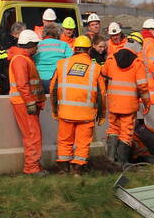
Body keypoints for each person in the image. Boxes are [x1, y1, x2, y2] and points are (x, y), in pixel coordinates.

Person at [51, 35, 106, 175]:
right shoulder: (96, 68)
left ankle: (64, 168)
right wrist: (102, 115)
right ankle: (78, 169)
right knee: (83, 143)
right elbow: (102, 94)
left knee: (64, 141)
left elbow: (53, 90)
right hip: (86, 114)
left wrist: (55, 111)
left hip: (65, 112)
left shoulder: (62, 64)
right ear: (88, 51)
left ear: (74, 49)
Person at [102, 46, 151, 165]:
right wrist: (146, 103)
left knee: (113, 128)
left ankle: (110, 158)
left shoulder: (111, 59)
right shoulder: (137, 63)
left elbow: (103, 76)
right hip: (129, 105)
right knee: (126, 132)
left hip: (113, 103)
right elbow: (142, 86)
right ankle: (121, 161)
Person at [9, 30, 47, 176]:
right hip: (24, 103)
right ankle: (32, 168)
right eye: (35, 45)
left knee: (32, 134)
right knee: (32, 135)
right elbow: (22, 84)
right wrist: (30, 102)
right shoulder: (20, 60)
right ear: (30, 45)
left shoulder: (22, 58)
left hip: (24, 102)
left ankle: (34, 165)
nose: (37, 48)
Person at [140, 18, 154, 91]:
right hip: (151, 84)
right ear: (151, 30)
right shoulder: (152, 45)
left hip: (141, 81)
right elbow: (152, 65)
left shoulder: (141, 42)